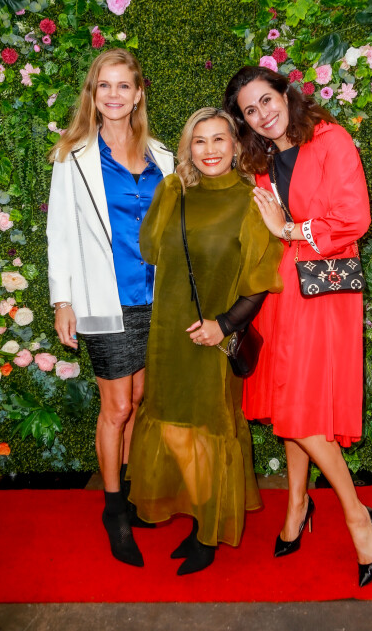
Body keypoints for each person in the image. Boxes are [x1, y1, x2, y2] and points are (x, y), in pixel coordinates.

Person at [224, 66, 372, 587]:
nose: (262, 114)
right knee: (292, 403)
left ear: (285, 94)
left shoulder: (331, 140)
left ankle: (357, 514)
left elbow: (354, 218)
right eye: (250, 111)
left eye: (266, 100)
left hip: (324, 293)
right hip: (282, 293)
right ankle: (297, 503)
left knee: (301, 405)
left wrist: (290, 229)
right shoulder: (263, 162)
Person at [126, 107, 283, 574]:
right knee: (172, 426)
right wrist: (168, 190)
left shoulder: (250, 201)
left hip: (213, 338)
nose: (210, 149)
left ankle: (206, 531)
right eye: (200, 141)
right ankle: (191, 511)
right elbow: (150, 249)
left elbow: (260, 280)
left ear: (236, 146)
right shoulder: (178, 192)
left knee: (208, 432)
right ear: (188, 149)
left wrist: (224, 324)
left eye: (219, 139)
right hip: (168, 334)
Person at [47, 49, 174, 567]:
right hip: (105, 298)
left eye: (124, 85)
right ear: (93, 94)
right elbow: (59, 233)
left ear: (139, 93)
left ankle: (130, 490)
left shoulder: (163, 156)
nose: (114, 95)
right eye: (105, 85)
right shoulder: (73, 156)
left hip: (158, 299)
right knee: (116, 407)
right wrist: (62, 300)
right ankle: (114, 507)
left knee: (139, 398)